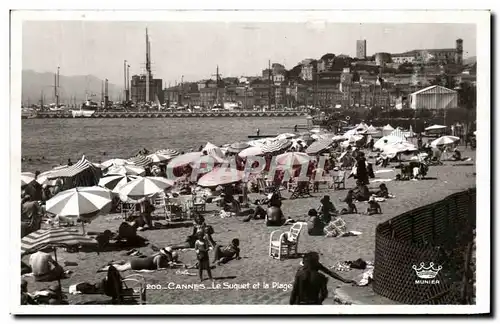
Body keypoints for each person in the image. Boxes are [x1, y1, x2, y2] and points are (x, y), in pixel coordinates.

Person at [98, 248, 173, 272]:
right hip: (137, 264)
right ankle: (104, 269)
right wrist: (167, 267)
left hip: (137, 261)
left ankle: (110, 265)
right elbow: (159, 268)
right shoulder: (159, 257)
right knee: (121, 268)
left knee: (123, 266)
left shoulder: (157, 254)